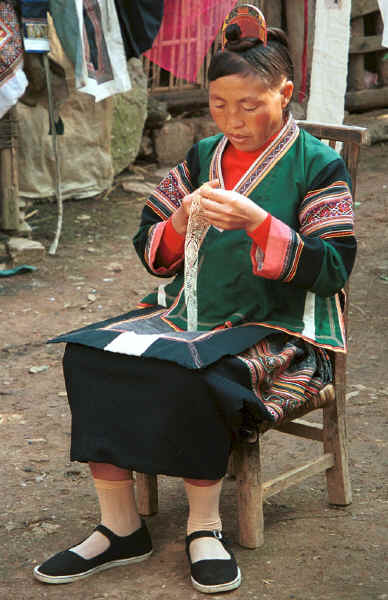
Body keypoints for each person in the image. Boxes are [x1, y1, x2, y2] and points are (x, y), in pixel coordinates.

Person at [33, 5, 356, 594]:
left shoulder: (318, 164)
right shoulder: (200, 159)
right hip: (188, 313)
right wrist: (181, 218)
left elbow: (332, 268)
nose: (232, 120)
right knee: (91, 355)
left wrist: (261, 222)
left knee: (194, 371)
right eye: (218, 105)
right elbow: (149, 246)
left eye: (250, 105)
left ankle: (204, 529)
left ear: (286, 93)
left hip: (278, 329)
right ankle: (120, 526)